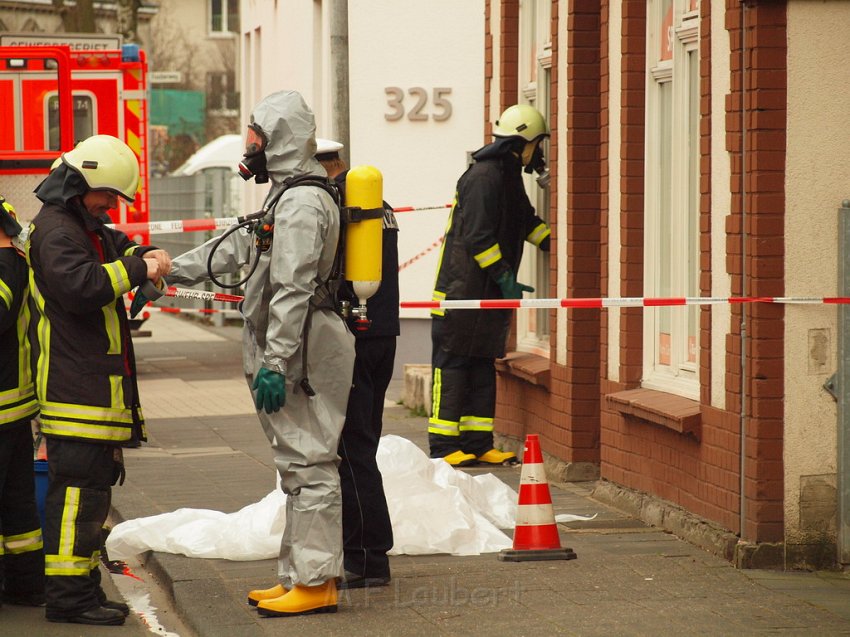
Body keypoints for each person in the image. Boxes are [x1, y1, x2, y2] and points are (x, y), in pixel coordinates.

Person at [158, 91, 355, 617]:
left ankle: (314, 583)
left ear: (280, 140)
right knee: (296, 463)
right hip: (297, 344)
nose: (250, 148)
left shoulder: (302, 203)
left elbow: (292, 288)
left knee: (310, 462)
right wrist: (165, 268)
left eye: (256, 138)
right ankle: (304, 576)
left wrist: (275, 361)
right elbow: (239, 248)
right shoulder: (286, 197)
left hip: (303, 348)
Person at [27, 134, 171, 626]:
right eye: (106, 194)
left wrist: (147, 252)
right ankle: (68, 600)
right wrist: (138, 266)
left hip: (91, 390)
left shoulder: (82, 226)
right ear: (79, 183)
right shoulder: (56, 231)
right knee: (75, 498)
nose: (111, 205)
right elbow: (82, 286)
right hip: (75, 392)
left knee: (91, 498)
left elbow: (119, 246)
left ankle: (84, 590)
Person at [428, 104, 552, 467]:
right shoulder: (483, 177)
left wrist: (553, 241)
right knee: (453, 366)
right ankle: (442, 447)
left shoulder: (508, 175)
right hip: (461, 294)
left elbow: (523, 221)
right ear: (523, 142)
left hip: (484, 294)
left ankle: (479, 443)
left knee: (481, 365)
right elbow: (479, 238)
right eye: (537, 144)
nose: (539, 152)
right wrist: (504, 278)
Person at [315, 139, 397, 589]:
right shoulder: (375, 202)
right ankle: (367, 553)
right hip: (382, 336)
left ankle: (367, 559)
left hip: (355, 340)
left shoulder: (338, 203)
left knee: (351, 451)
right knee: (362, 445)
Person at [0, 195, 44, 610]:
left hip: (3, 407)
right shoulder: (15, 262)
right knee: (17, 505)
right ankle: (26, 586)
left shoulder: (4, 267)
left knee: (15, 500)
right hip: (13, 406)